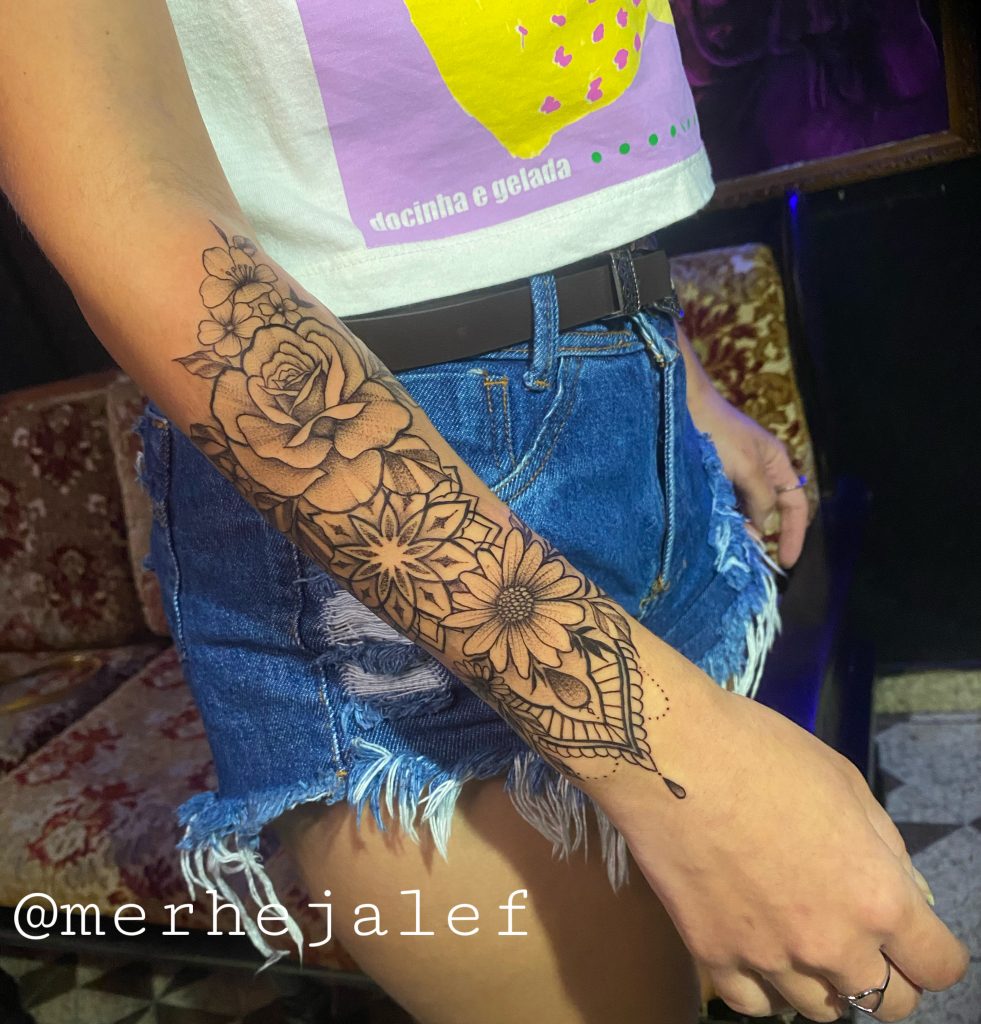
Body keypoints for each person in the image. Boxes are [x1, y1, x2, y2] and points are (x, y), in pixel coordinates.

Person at [0, 2, 967, 1022]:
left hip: (633, 389)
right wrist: (676, 756)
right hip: (384, 478)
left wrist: (678, 377)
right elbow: (127, 208)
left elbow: (562, 181)